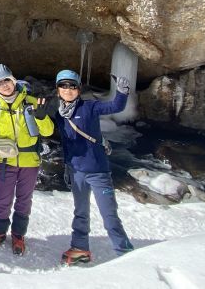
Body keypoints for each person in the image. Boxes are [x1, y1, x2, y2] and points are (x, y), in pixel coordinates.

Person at [54, 69, 134, 264]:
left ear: (78, 89)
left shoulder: (90, 106)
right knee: (80, 212)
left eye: (72, 86)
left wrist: (122, 92)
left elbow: (115, 106)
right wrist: (66, 167)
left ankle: (126, 253)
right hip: (76, 171)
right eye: (63, 86)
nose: (68, 89)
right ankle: (80, 248)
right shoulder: (59, 115)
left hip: (98, 171)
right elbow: (66, 144)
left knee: (109, 215)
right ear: (58, 90)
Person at [0, 63, 53, 255]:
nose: (5, 86)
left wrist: (42, 117)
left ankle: (18, 234)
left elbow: (48, 131)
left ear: (13, 80)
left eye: (7, 81)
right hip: (5, 160)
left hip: (30, 160)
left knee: (24, 199)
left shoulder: (31, 101)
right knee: (2, 198)